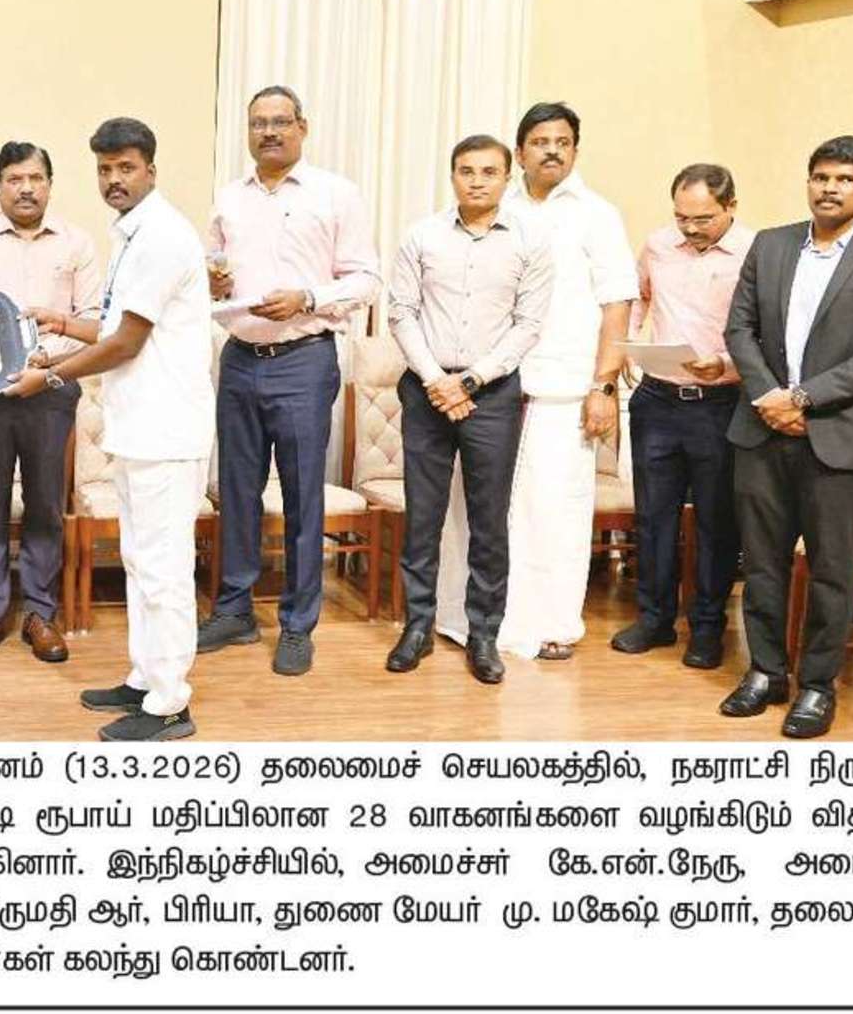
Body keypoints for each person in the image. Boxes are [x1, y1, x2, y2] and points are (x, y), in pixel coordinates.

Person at [7, 117, 214, 742]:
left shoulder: (162, 237)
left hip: (166, 430)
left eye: (126, 167)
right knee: (139, 561)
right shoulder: (130, 233)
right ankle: (145, 678)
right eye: (104, 169)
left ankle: (170, 703)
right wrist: (60, 323)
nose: (114, 179)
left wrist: (48, 376)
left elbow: (126, 342)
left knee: (164, 569)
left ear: (151, 169)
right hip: (138, 427)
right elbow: (112, 325)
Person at [721, 136, 853, 738]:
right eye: (821, 177)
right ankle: (766, 672)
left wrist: (803, 399)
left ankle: (817, 686)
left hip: (842, 435)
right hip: (762, 429)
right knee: (762, 563)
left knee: (832, 570)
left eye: (845, 179)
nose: (829, 189)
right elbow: (740, 328)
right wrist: (771, 397)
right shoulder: (771, 244)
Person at [434, 101, 636, 661]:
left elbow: (617, 304)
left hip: (562, 388)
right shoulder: (496, 206)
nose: (552, 151)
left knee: (553, 512)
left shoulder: (598, 215)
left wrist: (603, 386)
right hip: (489, 382)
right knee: (476, 507)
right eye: (540, 142)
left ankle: (549, 624)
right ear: (519, 152)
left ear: (575, 150)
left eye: (563, 142)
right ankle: (466, 618)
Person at [199, 86, 380, 675]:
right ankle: (234, 610)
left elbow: (366, 278)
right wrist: (213, 283)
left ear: (303, 127)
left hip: (304, 358)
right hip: (239, 357)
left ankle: (298, 625)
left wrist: (307, 297)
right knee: (237, 490)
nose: (269, 132)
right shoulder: (229, 198)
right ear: (248, 132)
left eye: (280, 122)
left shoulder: (335, 194)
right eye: (258, 123)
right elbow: (212, 271)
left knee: (303, 495)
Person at [384, 135, 552, 683]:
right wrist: (438, 381)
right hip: (426, 389)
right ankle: (417, 626)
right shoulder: (422, 235)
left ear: (507, 177)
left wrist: (472, 380)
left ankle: (484, 634)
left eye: (488, 171)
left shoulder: (530, 242)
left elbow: (528, 325)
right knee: (423, 516)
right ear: (452, 175)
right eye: (466, 170)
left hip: (493, 393)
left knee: (489, 519)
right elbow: (401, 312)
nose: (477, 181)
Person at [0, 141, 100, 664]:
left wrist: (46, 362)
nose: (26, 188)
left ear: (50, 185)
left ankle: (39, 613)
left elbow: (94, 322)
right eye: (14, 179)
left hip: (52, 387)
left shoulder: (77, 243)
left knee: (46, 503)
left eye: (36, 178)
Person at [609, 163, 753, 669]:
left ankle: (708, 629)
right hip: (657, 401)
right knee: (653, 517)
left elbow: (764, 331)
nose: (690, 229)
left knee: (716, 522)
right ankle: (654, 620)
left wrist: (727, 364)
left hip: (720, 404)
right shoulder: (657, 245)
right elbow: (635, 298)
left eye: (703, 219)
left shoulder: (756, 253)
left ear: (731, 207)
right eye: (681, 217)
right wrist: (628, 344)